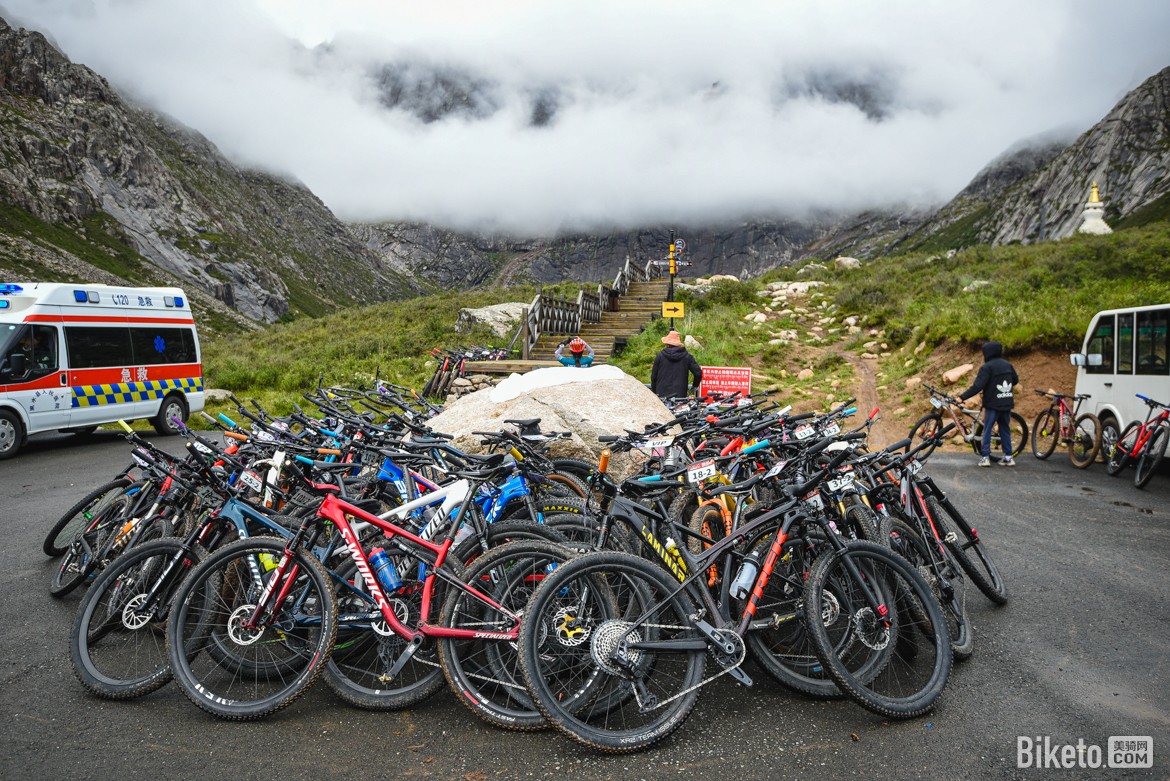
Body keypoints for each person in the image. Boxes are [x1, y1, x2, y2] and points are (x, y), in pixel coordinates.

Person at [958, 340, 1019, 467]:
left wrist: (962, 397)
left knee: (987, 429)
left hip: (993, 404)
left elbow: (977, 386)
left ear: (988, 353)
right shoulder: (1007, 365)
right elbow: (1015, 380)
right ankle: (1008, 457)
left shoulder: (987, 367)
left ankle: (985, 457)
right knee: (1005, 429)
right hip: (1006, 402)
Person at [650, 329, 702, 402]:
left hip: (662, 396)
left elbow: (653, 377)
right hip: (680, 396)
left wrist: (655, 392)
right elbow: (698, 373)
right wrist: (694, 386)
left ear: (667, 344)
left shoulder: (660, 356)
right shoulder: (686, 356)